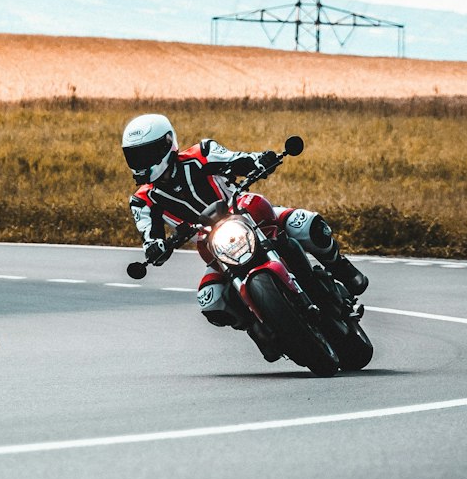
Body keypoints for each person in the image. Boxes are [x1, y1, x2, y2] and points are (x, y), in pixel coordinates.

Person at [121, 112, 368, 330]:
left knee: (308, 225)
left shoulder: (201, 154)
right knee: (211, 300)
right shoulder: (143, 200)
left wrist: (260, 160)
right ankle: (260, 327)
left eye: (147, 153)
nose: (141, 162)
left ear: (167, 144)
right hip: (211, 243)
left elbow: (234, 159)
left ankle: (341, 268)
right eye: (135, 156)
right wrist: (155, 248)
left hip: (245, 212)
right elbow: (149, 234)